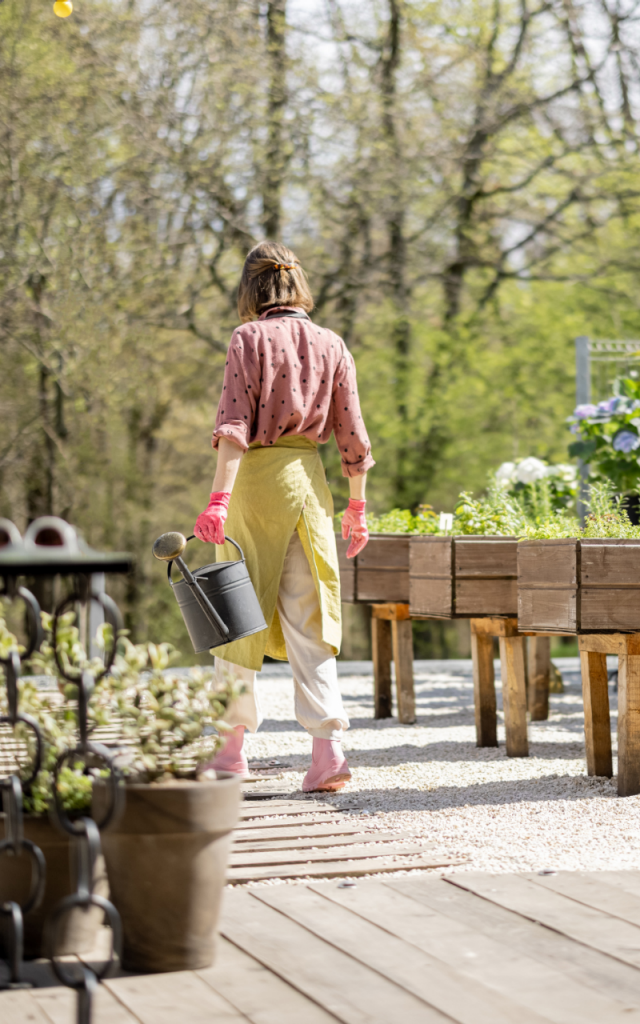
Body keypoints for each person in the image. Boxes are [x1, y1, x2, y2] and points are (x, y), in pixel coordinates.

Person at [193, 241, 371, 792]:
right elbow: (354, 436)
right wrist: (357, 508)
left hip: (252, 488)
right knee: (311, 616)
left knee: (235, 618)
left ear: (250, 288)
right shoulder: (332, 343)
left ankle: (229, 751)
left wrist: (218, 500)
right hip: (309, 487)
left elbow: (232, 428)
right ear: (297, 285)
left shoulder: (247, 339)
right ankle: (327, 753)